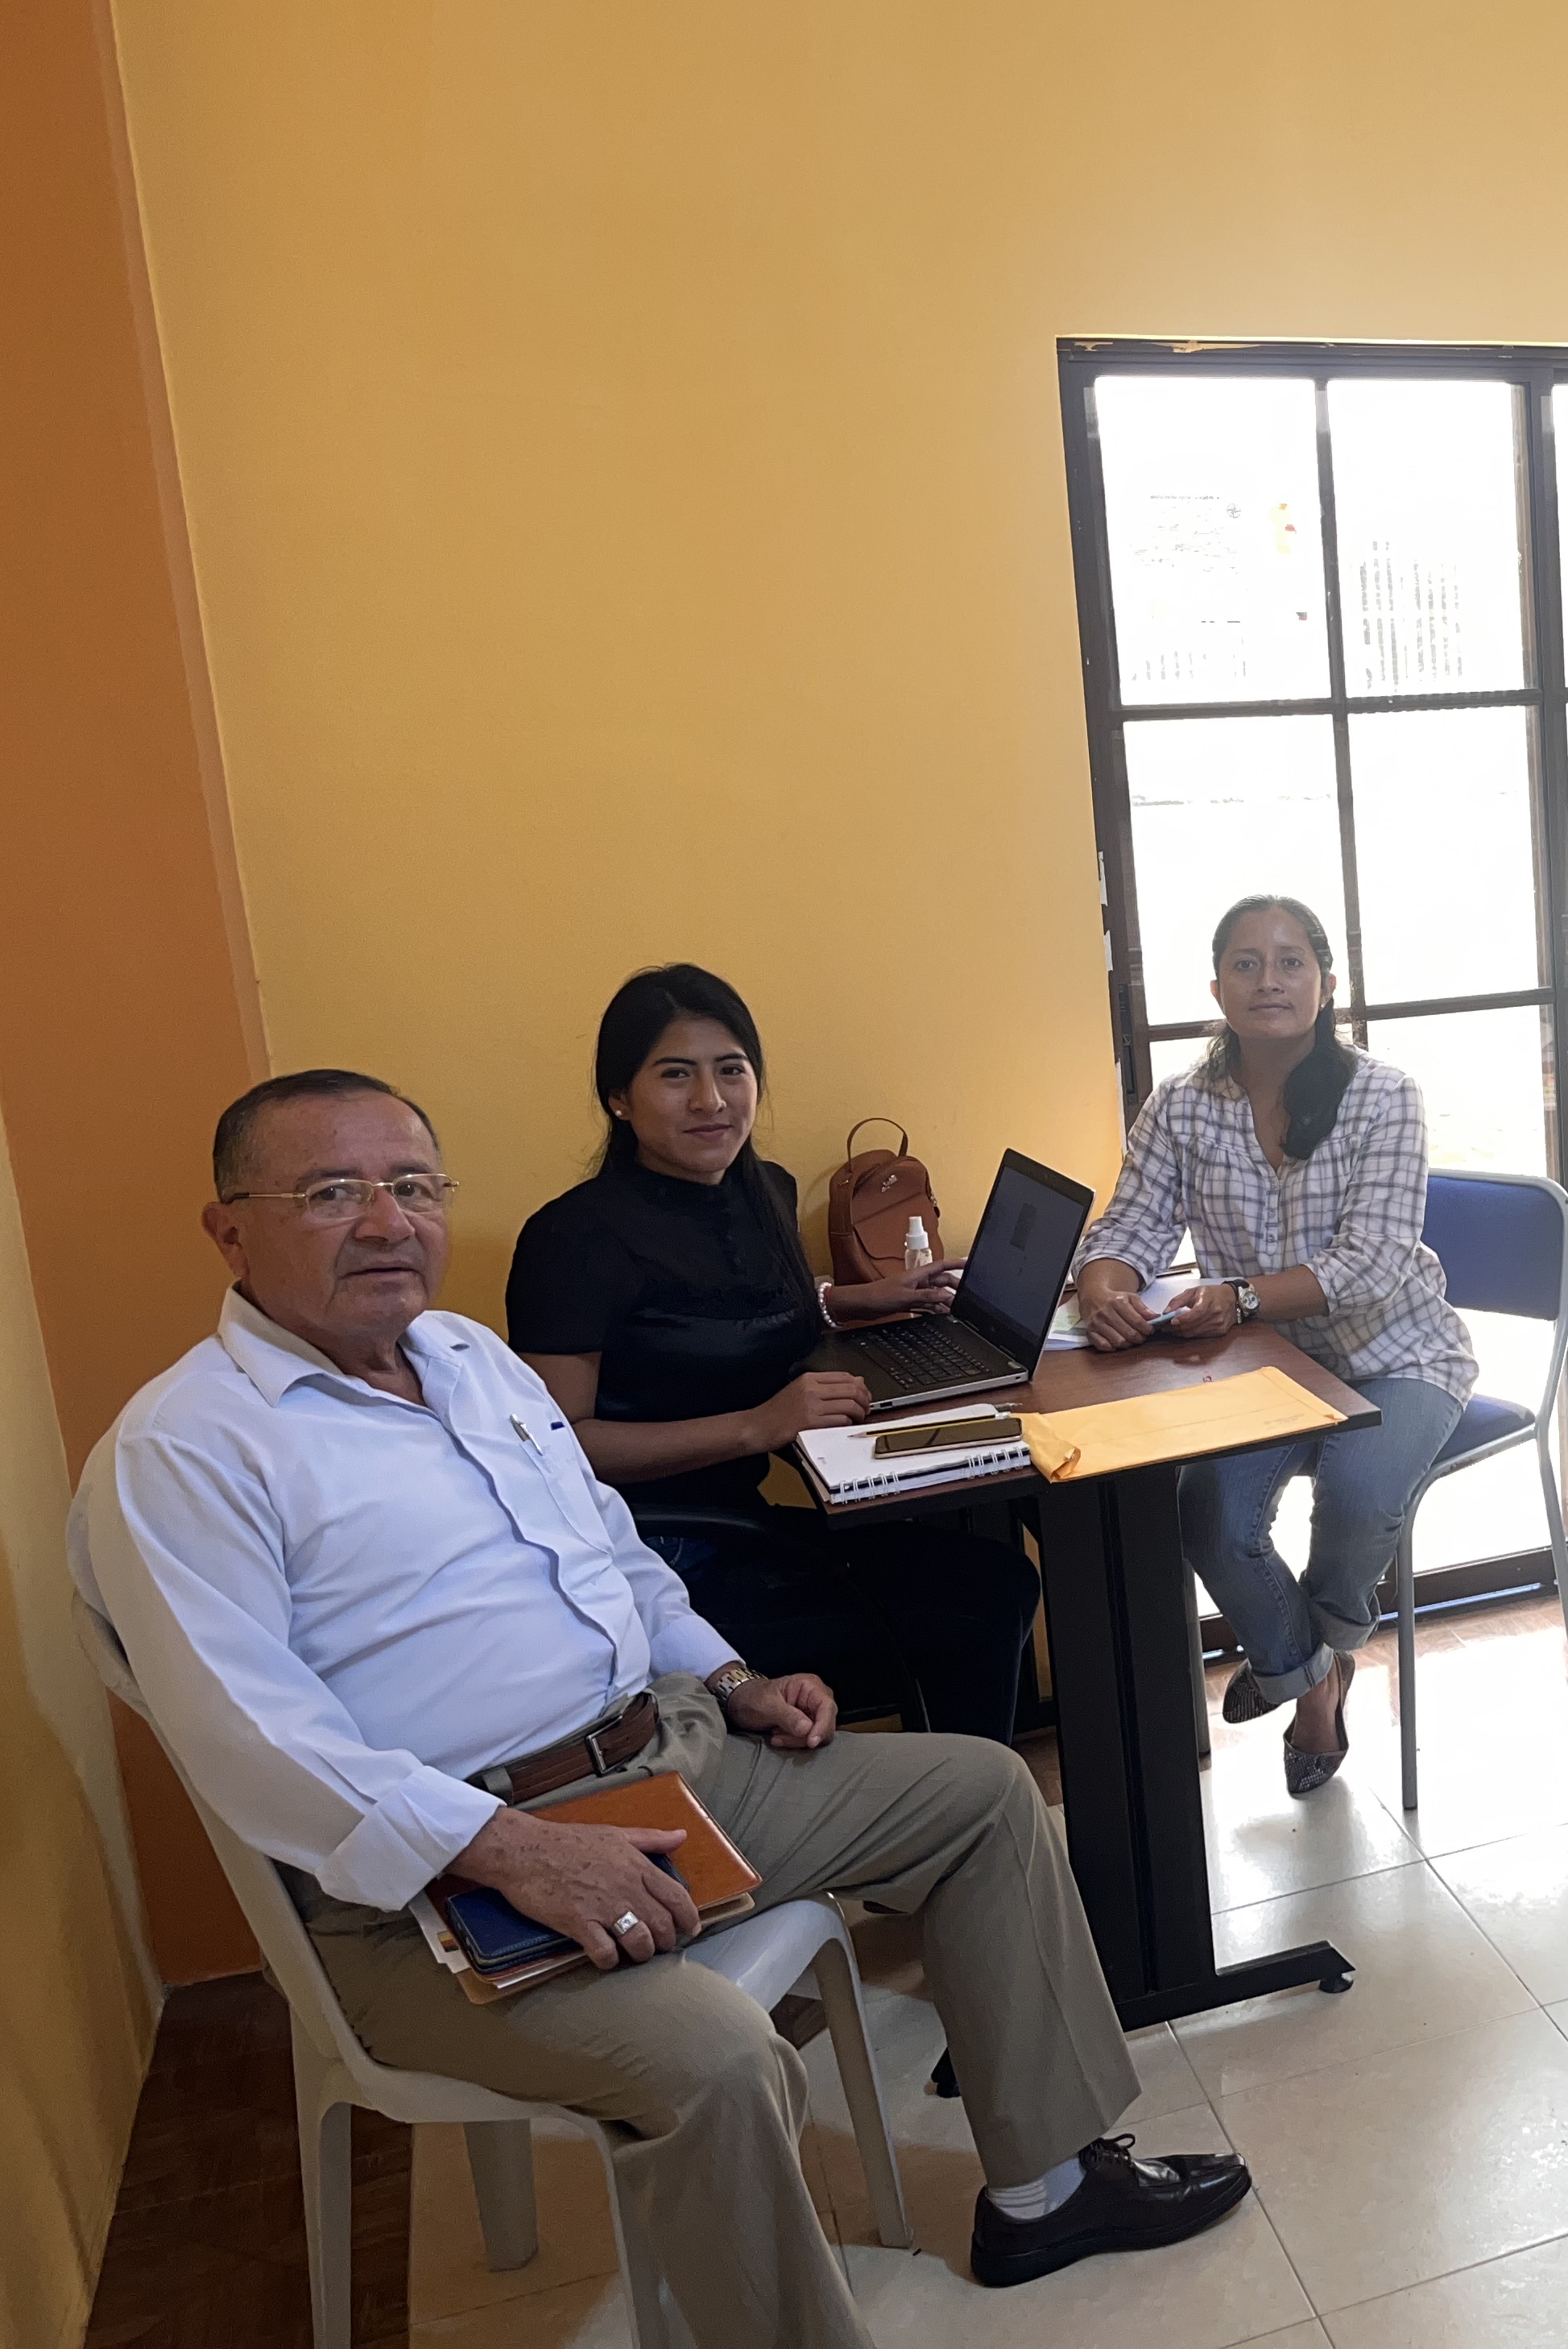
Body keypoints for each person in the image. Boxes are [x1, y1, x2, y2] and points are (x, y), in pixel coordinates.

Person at [69, 1071, 1249, 2349]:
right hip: (436, 1880)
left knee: (981, 1794)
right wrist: (512, 1851)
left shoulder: (467, 1359)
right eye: (331, 1193)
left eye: (412, 1186)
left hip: (665, 1757)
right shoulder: (186, 1448)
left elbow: (611, 1553)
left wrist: (734, 1682)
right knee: (716, 2056)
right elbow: (247, 1737)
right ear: (230, 1230)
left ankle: (1048, 2193)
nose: (386, 1221)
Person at [508, 966, 1041, 1744]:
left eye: (732, 1070)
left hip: (747, 1524)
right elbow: (561, 1447)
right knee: (984, 1595)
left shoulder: (762, 1190)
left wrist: (853, 1300)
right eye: (675, 1075)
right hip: (663, 1561)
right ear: (619, 1097)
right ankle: (953, 1794)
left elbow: (729, 1314)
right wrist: (758, 1426)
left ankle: (953, 1792)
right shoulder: (574, 1239)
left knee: (990, 1572)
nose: (711, 1100)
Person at [1069, 895, 1476, 1796]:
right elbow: (1130, 1226)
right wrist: (1104, 1291)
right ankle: (1315, 1673)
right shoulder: (1182, 1104)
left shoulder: (1384, 1095)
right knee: (1208, 1515)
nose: (1269, 981)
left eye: (1292, 962)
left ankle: (1303, 1669)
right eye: (1246, 964)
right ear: (1217, 988)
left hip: (1397, 1353)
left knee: (1358, 1499)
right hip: (1262, 1367)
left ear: (1327, 984)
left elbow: (1372, 1262)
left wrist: (1242, 1296)